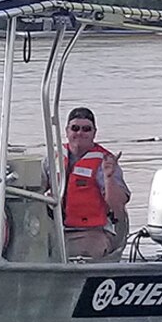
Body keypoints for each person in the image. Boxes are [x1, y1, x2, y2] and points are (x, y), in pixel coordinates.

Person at [51, 106, 131, 260]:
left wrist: (109, 178)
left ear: (94, 133)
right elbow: (36, 190)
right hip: (58, 230)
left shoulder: (105, 161)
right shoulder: (53, 158)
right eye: (75, 128)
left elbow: (118, 206)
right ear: (67, 131)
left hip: (94, 231)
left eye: (86, 129)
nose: (80, 133)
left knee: (81, 253)